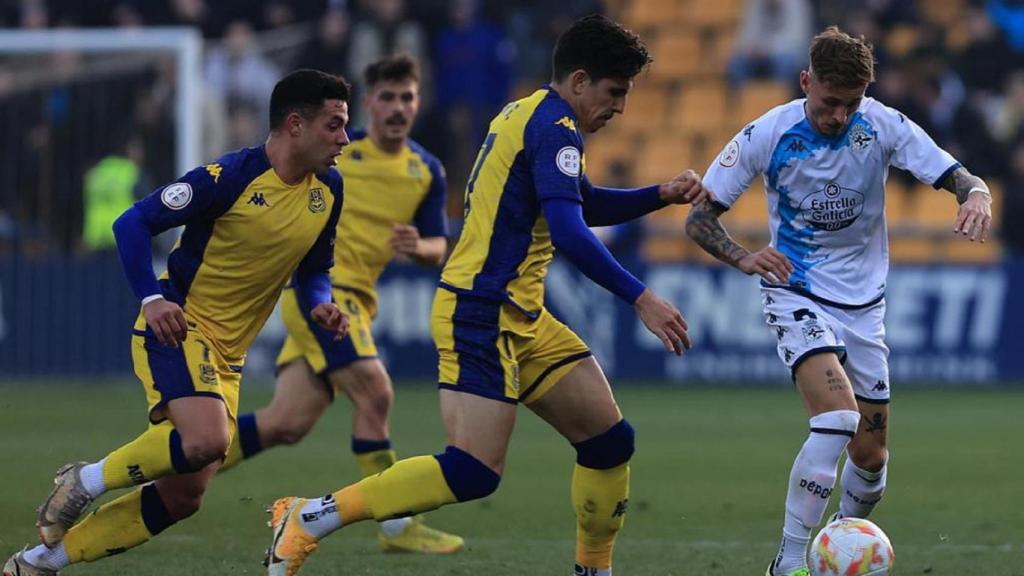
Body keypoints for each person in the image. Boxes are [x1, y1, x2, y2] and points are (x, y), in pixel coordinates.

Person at [262, 14, 707, 576]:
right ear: (578, 80)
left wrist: (659, 194)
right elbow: (570, 233)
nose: (620, 107)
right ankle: (311, 517)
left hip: (522, 314)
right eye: (614, 92)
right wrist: (641, 297)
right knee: (474, 470)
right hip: (481, 311)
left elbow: (581, 202)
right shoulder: (556, 127)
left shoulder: (529, 113)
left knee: (609, 441)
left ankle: (594, 570)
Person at [3, 69, 353, 575]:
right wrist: (151, 299)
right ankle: (84, 480)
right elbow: (131, 223)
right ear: (295, 125)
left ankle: (37, 563)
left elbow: (316, 268)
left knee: (184, 496)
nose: (345, 138)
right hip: (178, 326)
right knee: (207, 441)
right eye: (335, 124)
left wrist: (320, 301)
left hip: (227, 357)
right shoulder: (228, 177)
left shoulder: (329, 190)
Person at [686, 27, 994, 576]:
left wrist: (977, 193)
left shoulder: (880, 124)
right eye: (830, 103)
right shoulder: (768, 132)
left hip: (864, 307)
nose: (840, 115)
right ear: (807, 82)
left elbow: (953, 173)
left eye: (852, 103)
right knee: (838, 418)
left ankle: (840, 544)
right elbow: (699, 217)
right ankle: (787, 562)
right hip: (797, 292)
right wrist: (743, 257)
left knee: (871, 462)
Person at [222, 53, 463, 554]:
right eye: (388, 97)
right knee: (376, 394)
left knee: (285, 424)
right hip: (321, 298)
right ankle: (397, 525)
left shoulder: (426, 170)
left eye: (408, 97)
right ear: (369, 103)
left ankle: (179, 463)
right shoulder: (335, 154)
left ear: (418, 103)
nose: (398, 107)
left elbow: (439, 245)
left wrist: (418, 248)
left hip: (357, 303)